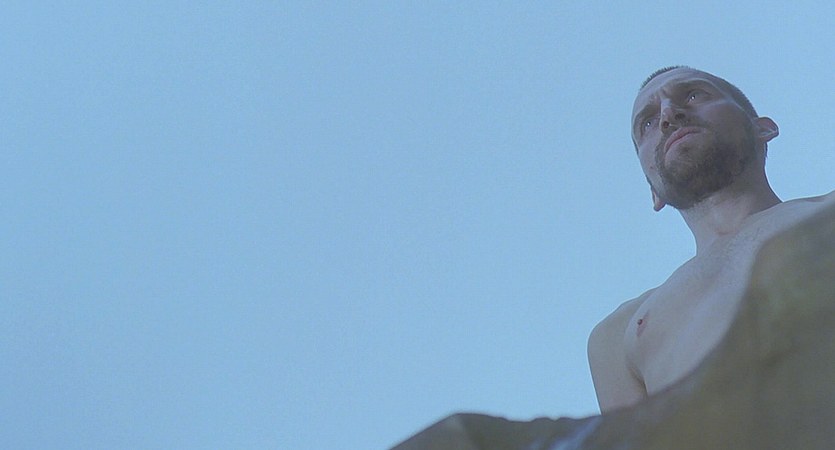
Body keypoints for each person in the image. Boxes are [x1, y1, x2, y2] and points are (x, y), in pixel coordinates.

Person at [587, 66, 835, 414]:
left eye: (693, 94)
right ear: (653, 191)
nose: (668, 115)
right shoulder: (618, 333)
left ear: (763, 128)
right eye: (648, 122)